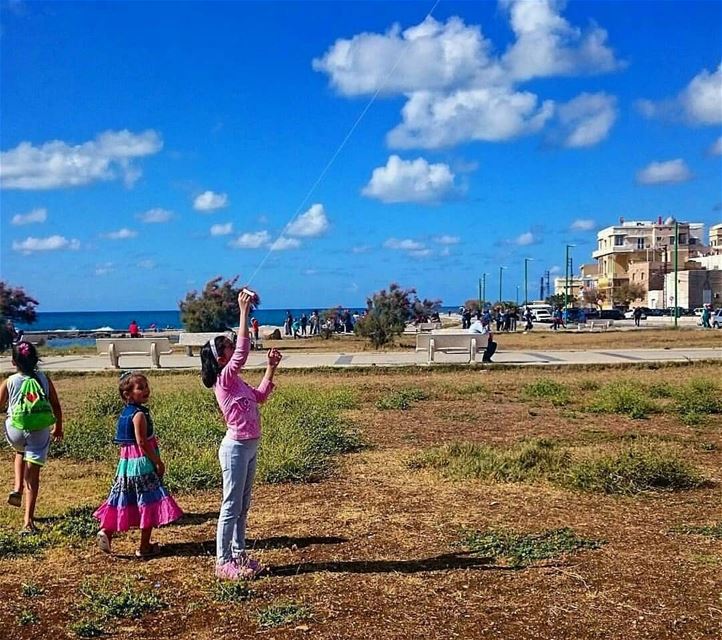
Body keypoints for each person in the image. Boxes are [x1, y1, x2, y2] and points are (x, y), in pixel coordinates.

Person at [201, 289, 282, 580]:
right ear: (219, 359)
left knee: (243, 506)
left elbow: (260, 397)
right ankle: (223, 562)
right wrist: (244, 311)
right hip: (234, 448)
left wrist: (271, 369)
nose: (232, 347)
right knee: (230, 504)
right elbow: (243, 352)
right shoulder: (223, 380)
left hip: (250, 447)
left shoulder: (238, 383)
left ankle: (239, 555)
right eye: (226, 346)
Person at [94, 372, 182, 557]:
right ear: (128, 394)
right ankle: (144, 546)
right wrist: (157, 462)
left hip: (126, 464)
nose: (146, 390)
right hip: (142, 464)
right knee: (148, 502)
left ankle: (107, 532)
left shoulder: (125, 413)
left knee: (123, 498)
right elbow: (142, 442)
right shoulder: (139, 415)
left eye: (146, 386)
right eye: (140, 387)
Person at [0, 341, 63, 533]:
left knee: (20, 450)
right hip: (39, 429)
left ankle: (17, 488)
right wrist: (58, 427)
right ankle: (28, 521)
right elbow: (56, 406)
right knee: (33, 477)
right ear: (36, 360)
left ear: (13, 362)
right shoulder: (44, 379)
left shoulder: (9, 381)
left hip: (15, 429)